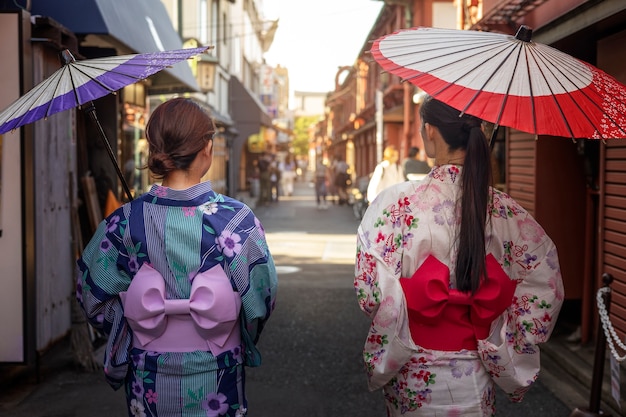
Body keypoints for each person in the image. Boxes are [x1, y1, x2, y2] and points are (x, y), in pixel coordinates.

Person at [354, 96, 564, 416]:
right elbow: (544, 273)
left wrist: (401, 309)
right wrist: (506, 332)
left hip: (412, 367)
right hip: (475, 367)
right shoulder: (504, 210)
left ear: (430, 131)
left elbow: (371, 291)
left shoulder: (394, 204)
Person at [76, 98, 278, 417]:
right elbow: (261, 300)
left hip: (147, 378)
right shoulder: (237, 221)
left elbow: (91, 293)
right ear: (207, 149)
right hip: (218, 373)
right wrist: (225, 330)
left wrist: (136, 326)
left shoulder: (123, 222)